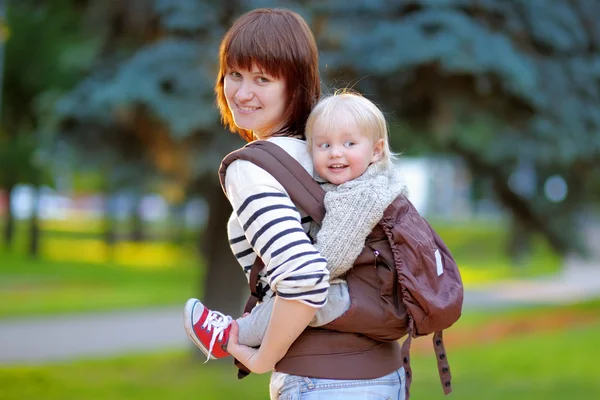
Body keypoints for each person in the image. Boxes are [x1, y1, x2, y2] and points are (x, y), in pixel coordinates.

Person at [183, 8, 405, 400]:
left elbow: (304, 278)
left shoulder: (252, 168)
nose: (242, 92)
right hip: (386, 376)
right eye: (235, 74)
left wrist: (262, 358)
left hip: (322, 382)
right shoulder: (333, 152)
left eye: (262, 79)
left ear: (295, 85)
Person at [185, 90, 406, 355]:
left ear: (377, 150)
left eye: (349, 144)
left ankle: (230, 335)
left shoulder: (362, 195)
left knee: (303, 298)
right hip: (371, 293)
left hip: (365, 295)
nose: (336, 153)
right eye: (324, 145)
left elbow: (328, 263)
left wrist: (280, 298)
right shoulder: (363, 184)